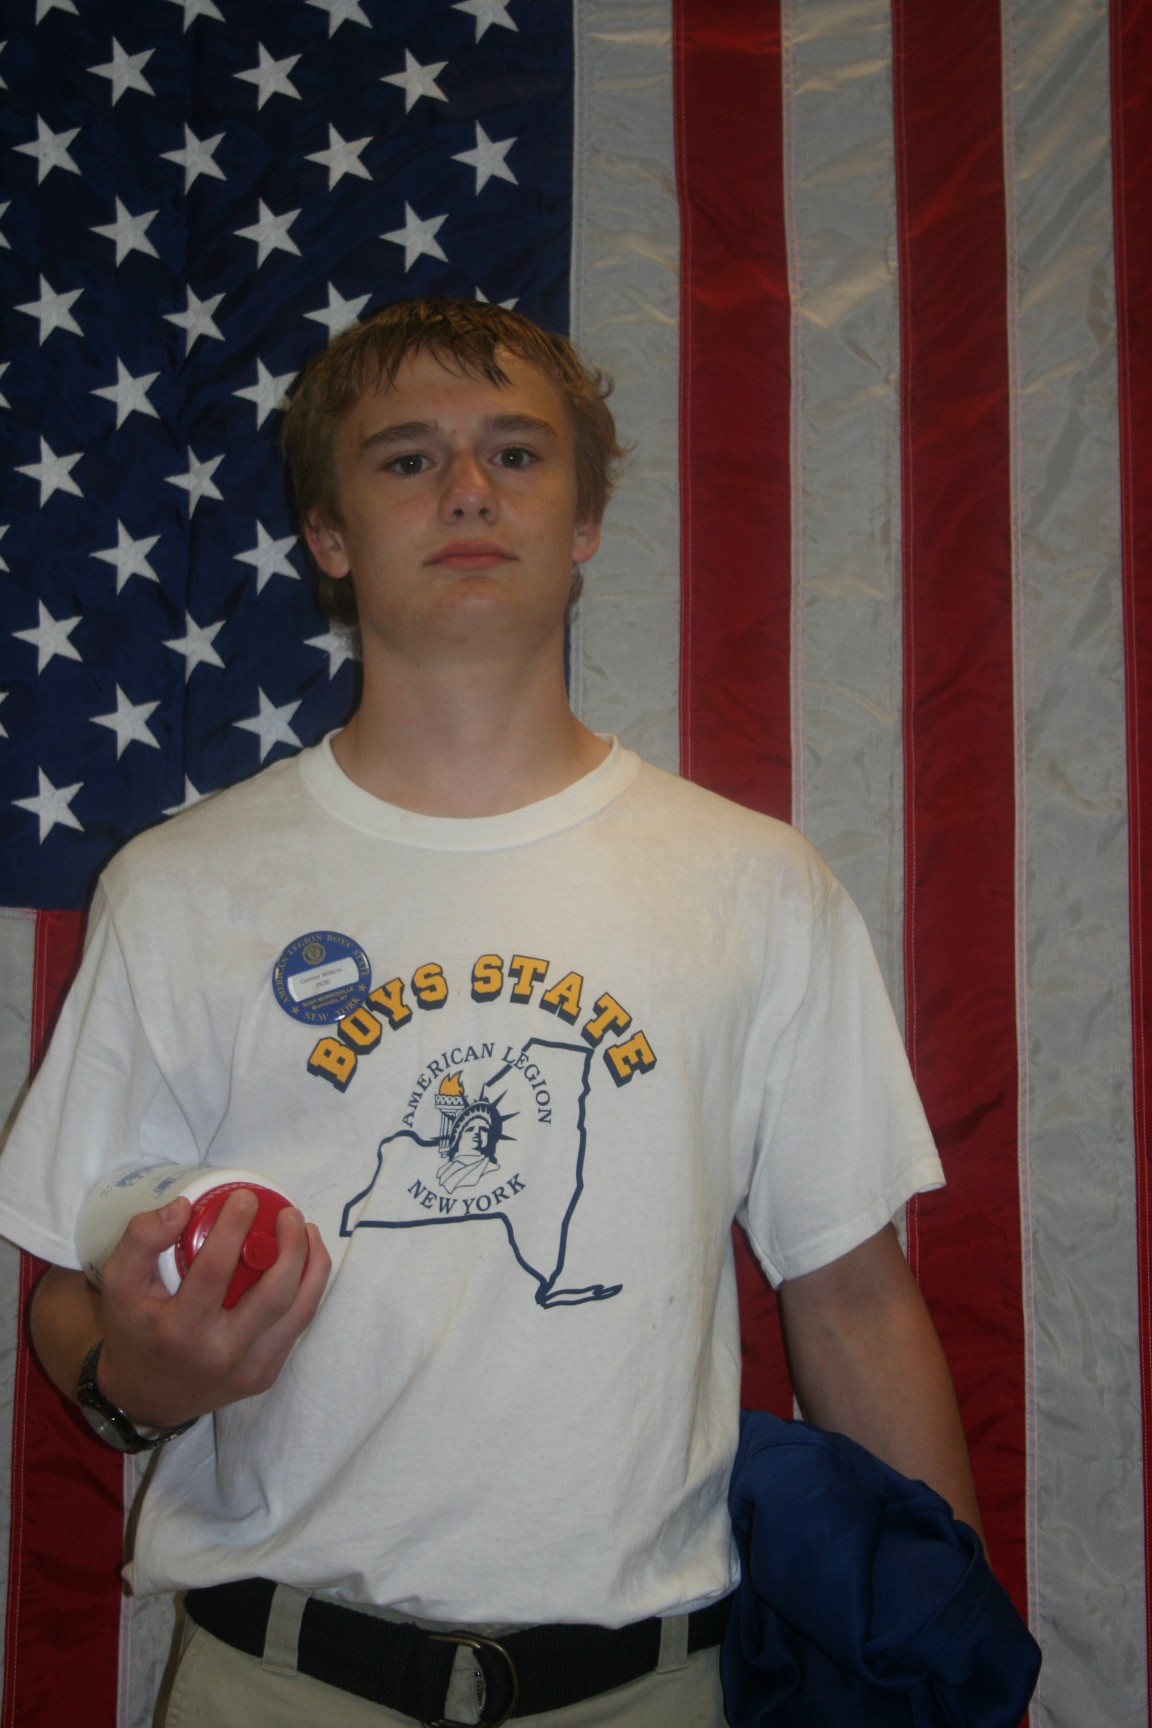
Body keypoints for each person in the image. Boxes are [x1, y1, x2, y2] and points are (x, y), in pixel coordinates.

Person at [0, 299, 981, 1728]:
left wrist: (948, 1655)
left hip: (647, 1688)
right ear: (329, 533)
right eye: (407, 459)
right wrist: (133, 1384)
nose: (468, 489)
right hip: (281, 1681)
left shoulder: (754, 884)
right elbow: (69, 1285)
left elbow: (852, 1300)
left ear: (584, 520)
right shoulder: (183, 889)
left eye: (516, 453)